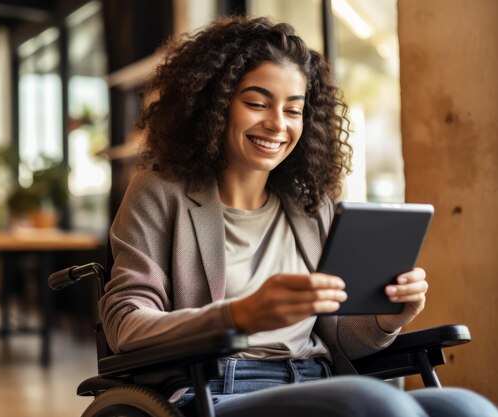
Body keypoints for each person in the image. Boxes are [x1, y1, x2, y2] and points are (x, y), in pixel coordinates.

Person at [99, 15, 497, 417]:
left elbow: (340, 339)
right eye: (256, 103)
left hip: (319, 378)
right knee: (376, 403)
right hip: (219, 390)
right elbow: (126, 325)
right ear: (212, 104)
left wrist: (386, 318)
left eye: (294, 110)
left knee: (466, 407)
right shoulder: (161, 192)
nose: (277, 124)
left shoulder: (310, 204)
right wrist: (239, 315)